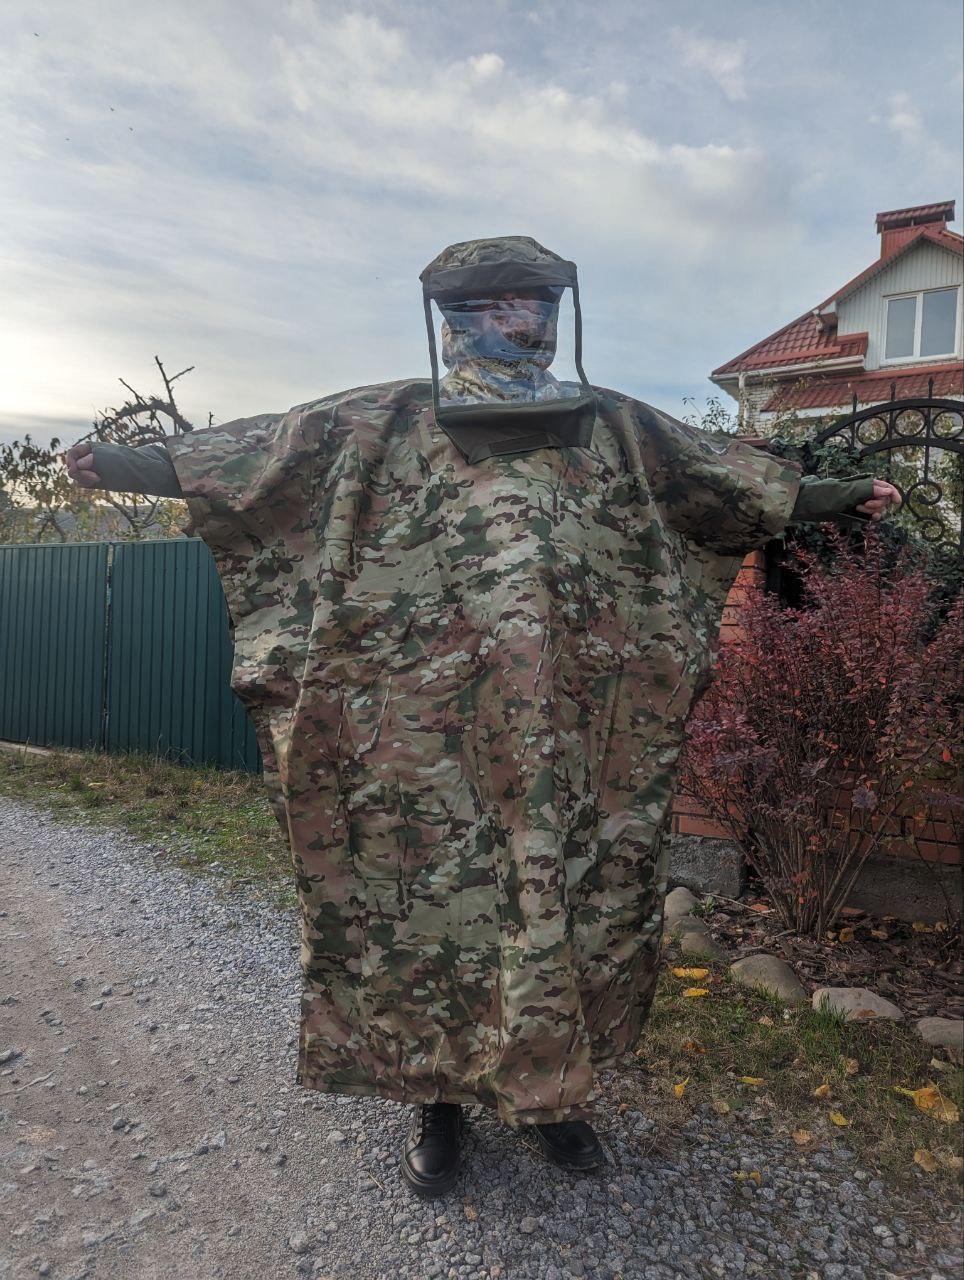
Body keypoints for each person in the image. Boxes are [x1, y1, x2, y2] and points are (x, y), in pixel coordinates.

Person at [65, 236, 901, 1197]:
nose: (513, 320)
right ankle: (439, 1101)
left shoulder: (612, 429)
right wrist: (128, 463)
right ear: (453, 318)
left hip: (571, 734)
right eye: (492, 305)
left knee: (572, 898)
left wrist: (841, 494)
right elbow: (264, 459)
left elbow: (724, 479)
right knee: (429, 906)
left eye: (528, 303)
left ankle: (554, 1096)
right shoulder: (383, 421)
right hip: (426, 733)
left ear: (553, 313)